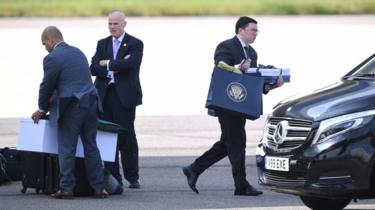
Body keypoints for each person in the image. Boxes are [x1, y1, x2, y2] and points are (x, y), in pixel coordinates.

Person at [182, 16, 284, 196]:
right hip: (226, 104)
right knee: (237, 143)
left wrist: (271, 86)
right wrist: (238, 67)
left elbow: (251, 84)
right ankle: (241, 184)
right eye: (253, 30)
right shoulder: (226, 46)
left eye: (256, 31)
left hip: (240, 105)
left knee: (227, 143)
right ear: (241, 30)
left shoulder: (252, 53)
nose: (256, 34)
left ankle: (194, 168)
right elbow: (220, 66)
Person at [31, 26, 107, 199]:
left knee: (66, 148)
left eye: (45, 44)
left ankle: (66, 188)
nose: (45, 48)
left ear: (50, 40)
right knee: (91, 147)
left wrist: (42, 108)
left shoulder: (52, 58)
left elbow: (46, 86)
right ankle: (99, 188)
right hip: (91, 102)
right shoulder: (77, 52)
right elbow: (74, 80)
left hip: (73, 106)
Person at [90, 10, 143, 189]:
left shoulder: (135, 43)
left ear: (124, 24)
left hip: (125, 97)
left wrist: (108, 63)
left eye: (116, 23)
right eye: (110, 24)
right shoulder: (102, 43)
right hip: (105, 96)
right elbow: (93, 68)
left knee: (127, 136)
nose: (112, 27)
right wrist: (115, 65)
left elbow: (131, 64)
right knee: (107, 137)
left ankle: (132, 176)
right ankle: (114, 177)